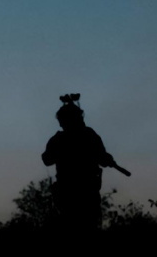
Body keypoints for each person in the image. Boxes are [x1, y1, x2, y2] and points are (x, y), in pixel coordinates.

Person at [42, 94, 127, 230]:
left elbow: (47, 159)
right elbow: (47, 159)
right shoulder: (86, 135)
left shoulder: (67, 138)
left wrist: (106, 159)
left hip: (80, 193)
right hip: (77, 194)